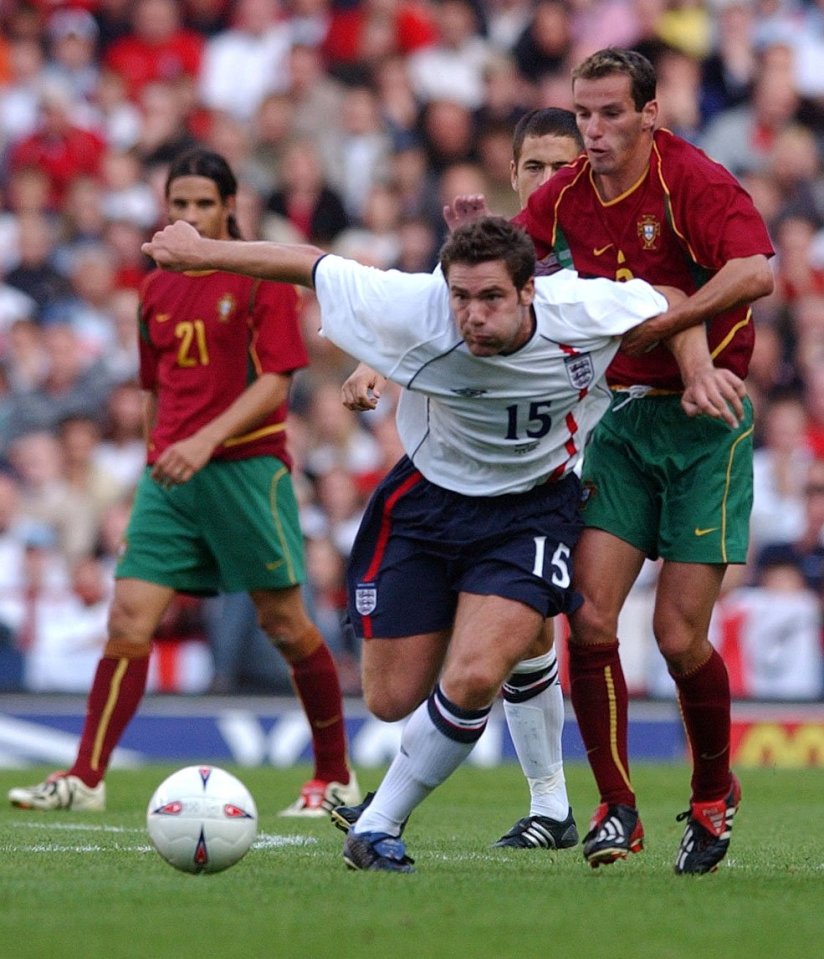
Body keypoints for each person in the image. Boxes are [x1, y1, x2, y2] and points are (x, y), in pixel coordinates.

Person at [137, 211, 740, 872]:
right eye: (461, 298)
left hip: (531, 509)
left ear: (528, 292)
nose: (473, 315)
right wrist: (203, 252)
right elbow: (306, 262)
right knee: (391, 698)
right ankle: (497, 689)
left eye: (491, 298)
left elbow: (672, 302)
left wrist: (699, 366)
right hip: (426, 503)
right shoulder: (415, 307)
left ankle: (379, 825)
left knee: (477, 671)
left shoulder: (581, 307)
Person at [8, 149, 360, 818]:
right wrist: (152, 471)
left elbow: (276, 384)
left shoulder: (260, 279)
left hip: (247, 470)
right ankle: (85, 775)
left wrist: (202, 441)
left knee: (286, 624)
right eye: (180, 204)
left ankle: (334, 775)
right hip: (170, 478)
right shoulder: (156, 287)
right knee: (126, 619)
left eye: (204, 203)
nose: (191, 215)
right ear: (165, 210)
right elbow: (153, 390)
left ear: (229, 208)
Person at [502, 48, 774, 875]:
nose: (593, 129)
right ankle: (616, 806)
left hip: (707, 425)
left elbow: (757, 269)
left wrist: (675, 325)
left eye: (611, 113)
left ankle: (711, 793)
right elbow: (499, 272)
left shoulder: (691, 179)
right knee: (587, 617)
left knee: (678, 633)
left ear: (650, 114)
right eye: (583, 113)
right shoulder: (566, 196)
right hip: (622, 420)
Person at [338, 107, 589, 852]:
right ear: (512, 174)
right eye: (533, 167)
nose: (547, 180)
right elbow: (424, 322)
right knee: (398, 691)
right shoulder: (492, 259)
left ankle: (563, 802)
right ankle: (552, 804)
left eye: (562, 166)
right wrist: (368, 363)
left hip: (559, 474)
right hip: (450, 482)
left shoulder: (597, 265)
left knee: (527, 632)